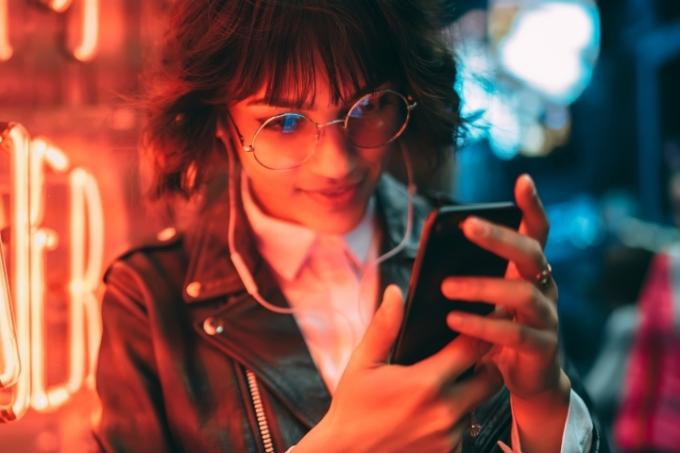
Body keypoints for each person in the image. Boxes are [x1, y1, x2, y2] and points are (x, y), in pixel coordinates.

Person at [94, 1, 604, 452]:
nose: (336, 164)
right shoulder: (149, 303)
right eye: (285, 123)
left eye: (368, 106)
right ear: (222, 124)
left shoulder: (470, 252)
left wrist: (542, 404)